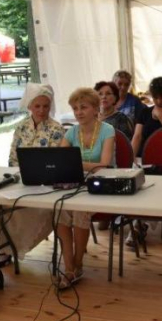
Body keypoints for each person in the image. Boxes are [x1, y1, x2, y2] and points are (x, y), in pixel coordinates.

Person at [0, 83, 65, 263]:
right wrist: (17, 177)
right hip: (21, 182)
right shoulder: (21, 128)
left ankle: (7, 250)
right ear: (29, 106)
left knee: (21, 211)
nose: (41, 110)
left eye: (46, 106)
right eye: (37, 106)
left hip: (45, 189)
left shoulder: (57, 130)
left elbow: (56, 164)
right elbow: (12, 159)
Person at [57, 88, 115, 289]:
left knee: (80, 210)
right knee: (60, 209)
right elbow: (60, 161)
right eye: (75, 109)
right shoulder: (71, 132)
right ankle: (69, 266)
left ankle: (78, 264)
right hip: (75, 183)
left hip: (100, 185)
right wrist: (80, 165)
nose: (79, 112)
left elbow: (104, 164)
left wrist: (76, 163)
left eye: (83, 107)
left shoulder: (107, 130)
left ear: (95, 108)